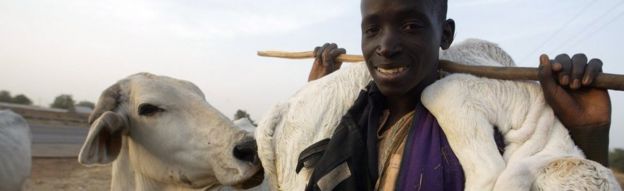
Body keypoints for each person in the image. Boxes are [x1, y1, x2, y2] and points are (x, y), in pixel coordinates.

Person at [302, 0, 612, 190]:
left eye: (410, 26)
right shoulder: (356, 115)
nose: (386, 46)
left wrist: (588, 132)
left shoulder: (494, 126)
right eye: (372, 29)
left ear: (445, 34)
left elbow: (565, 180)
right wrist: (315, 91)